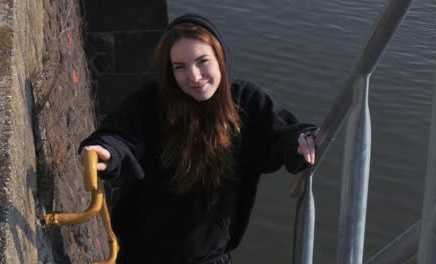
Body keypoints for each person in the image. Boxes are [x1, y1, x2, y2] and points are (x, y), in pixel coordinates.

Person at [79, 13, 318, 264]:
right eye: (180, 67)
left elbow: (283, 134)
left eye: (202, 61)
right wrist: (107, 151)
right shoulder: (153, 101)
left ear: (220, 60)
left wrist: (301, 140)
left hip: (208, 257)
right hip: (142, 254)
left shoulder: (246, 102)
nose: (194, 77)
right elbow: (118, 135)